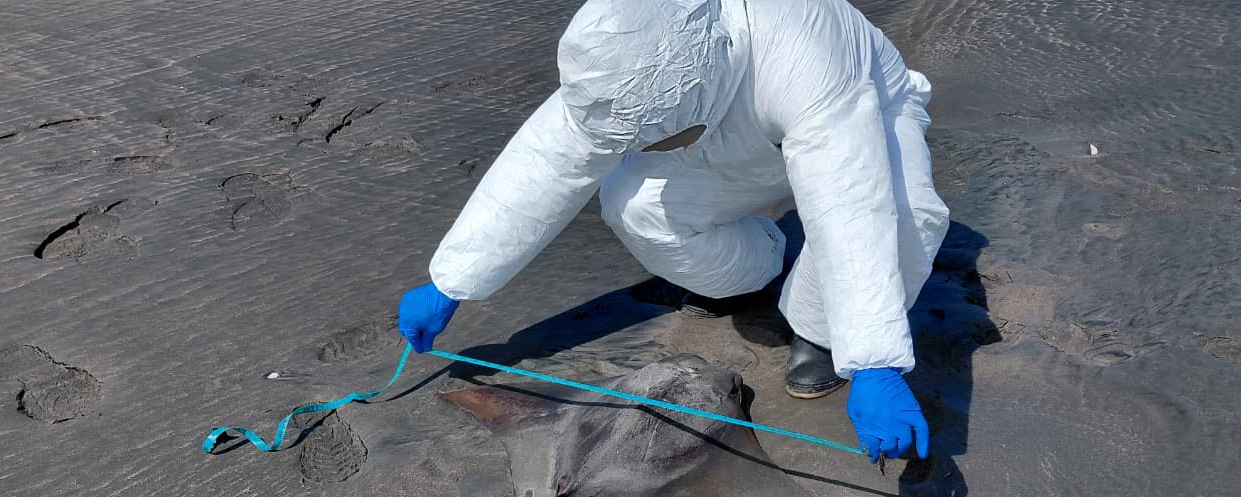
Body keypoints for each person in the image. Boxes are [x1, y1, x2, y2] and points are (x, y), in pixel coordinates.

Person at [397, 0, 949, 464]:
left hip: (864, 110)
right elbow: (547, 164)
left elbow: (850, 202)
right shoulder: (619, 52)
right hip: (714, 129)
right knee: (635, 204)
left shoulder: (805, 53)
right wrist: (454, 280)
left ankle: (818, 326)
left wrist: (873, 358)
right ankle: (757, 268)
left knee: (908, 220)